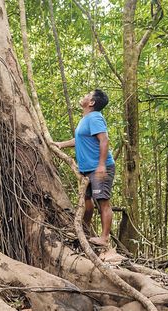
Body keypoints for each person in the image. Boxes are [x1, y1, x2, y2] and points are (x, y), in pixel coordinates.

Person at [54, 89, 115, 246]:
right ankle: (84, 231)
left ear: (92, 102)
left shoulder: (94, 118)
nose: (84, 95)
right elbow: (79, 139)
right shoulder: (86, 119)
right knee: (87, 202)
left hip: (99, 167)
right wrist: (61, 144)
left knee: (103, 202)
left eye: (88, 94)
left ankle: (104, 238)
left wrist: (101, 165)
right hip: (87, 169)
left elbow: (104, 140)